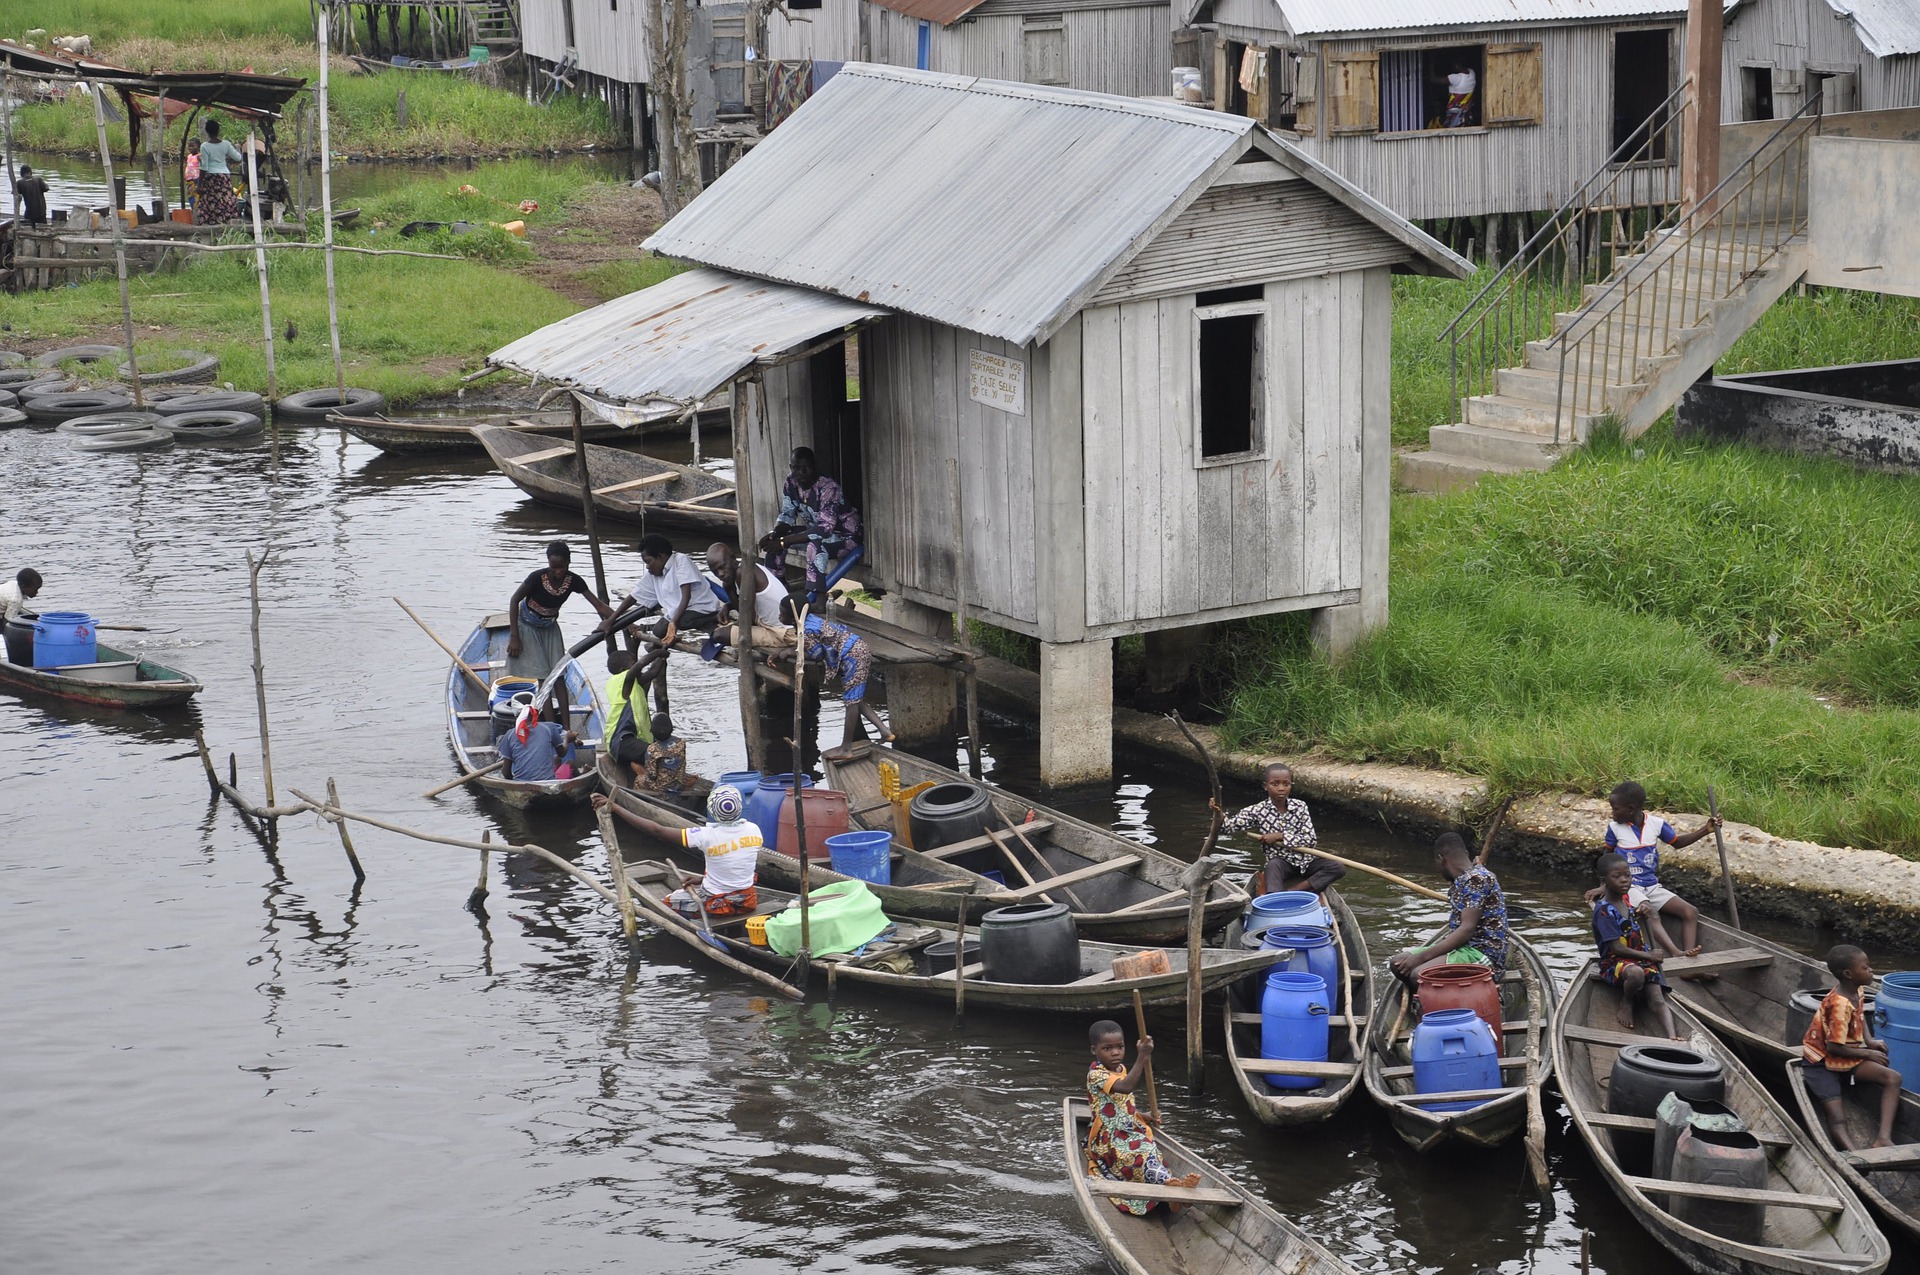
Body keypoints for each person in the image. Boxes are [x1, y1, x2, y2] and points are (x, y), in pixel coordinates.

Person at [1595, 781, 1720, 967]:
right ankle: (1677, 954)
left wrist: (1705, 830)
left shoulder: (1656, 824)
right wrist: (1603, 886)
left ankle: (1691, 963)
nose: (1612, 813)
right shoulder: (1614, 828)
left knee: (1690, 912)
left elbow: (1677, 842)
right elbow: (1607, 859)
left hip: (1651, 885)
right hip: (1629, 887)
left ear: (1631, 809)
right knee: (1650, 911)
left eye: (1615, 809)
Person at [1083, 1020, 1200, 1215]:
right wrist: (1143, 1056)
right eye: (1107, 1048)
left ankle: (1172, 1190)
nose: (1115, 1053)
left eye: (1119, 1047)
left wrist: (1142, 1115)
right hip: (1109, 1136)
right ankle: (1171, 1189)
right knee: (1135, 1156)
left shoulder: (1120, 1069)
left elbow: (1122, 1103)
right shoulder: (1096, 1075)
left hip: (1130, 1127)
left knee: (1150, 1150)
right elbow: (1126, 1087)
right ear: (1094, 1050)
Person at [593, 784, 762, 918]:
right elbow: (734, 863)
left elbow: (657, 830)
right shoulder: (754, 829)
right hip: (747, 901)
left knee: (667, 902)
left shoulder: (706, 835)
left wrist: (616, 808)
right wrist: (701, 879)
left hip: (718, 903)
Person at [1802, 944, 1904, 1150]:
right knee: (1838, 1118)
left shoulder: (1856, 989)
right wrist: (1868, 1053)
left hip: (1847, 1057)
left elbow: (1859, 1016)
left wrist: (1870, 1041)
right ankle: (1855, 1155)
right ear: (1848, 974)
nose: (1871, 971)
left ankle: (1883, 1138)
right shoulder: (1839, 1005)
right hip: (1821, 1063)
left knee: (1893, 1078)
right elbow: (1833, 1047)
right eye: (1866, 968)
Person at [777, 595, 890, 758]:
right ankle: (884, 731)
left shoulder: (807, 629)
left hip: (853, 655)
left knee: (851, 703)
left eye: (782, 614)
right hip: (858, 649)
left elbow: (816, 654)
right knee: (855, 698)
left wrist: (790, 651)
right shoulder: (810, 620)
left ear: (793, 616)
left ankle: (846, 748)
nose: (779, 617)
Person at [1389, 833, 1510, 985]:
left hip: (1482, 953)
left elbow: (1467, 929)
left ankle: (1438, 1003)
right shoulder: (1464, 879)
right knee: (1398, 964)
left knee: (1418, 975)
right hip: (1462, 949)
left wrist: (1421, 957)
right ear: (1465, 854)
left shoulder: (1477, 879)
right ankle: (1428, 998)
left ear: (1441, 859)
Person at [1210, 762, 1343, 896]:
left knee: (1337, 867)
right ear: (1265, 786)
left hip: (1306, 862)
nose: (1281, 788)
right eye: (1275, 784)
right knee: (1273, 865)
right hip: (1282, 864)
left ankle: (1295, 891)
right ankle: (1275, 898)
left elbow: (1310, 840)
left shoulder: (1300, 806)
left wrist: (1280, 836)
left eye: (1286, 784)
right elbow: (1227, 828)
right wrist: (1219, 813)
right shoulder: (1258, 810)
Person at [1591, 852, 1680, 1037]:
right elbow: (1616, 948)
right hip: (1616, 963)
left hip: (1640, 959)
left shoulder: (1627, 903)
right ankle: (1627, 1001)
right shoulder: (1604, 910)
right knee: (1637, 974)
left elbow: (1630, 922)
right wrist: (1650, 956)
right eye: (1617, 877)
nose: (1624, 880)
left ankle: (1673, 1038)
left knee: (1657, 999)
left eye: (1628, 875)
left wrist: (1643, 911)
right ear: (1604, 881)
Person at [759, 447, 862, 596]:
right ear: (791, 467)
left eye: (805, 468)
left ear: (814, 466)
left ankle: (817, 598)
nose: (801, 473)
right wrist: (774, 534)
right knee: (774, 542)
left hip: (846, 537)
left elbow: (824, 529)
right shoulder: (791, 483)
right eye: (796, 468)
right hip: (819, 533)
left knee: (814, 546)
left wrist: (783, 541)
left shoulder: (828, 487)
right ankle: (777, 590)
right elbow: (787, 515)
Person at [507, 541, 615, 680]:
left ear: (569, 563)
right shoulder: (536, 578)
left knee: (558, 673)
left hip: (550, 626)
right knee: (542, 676)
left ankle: (563, 703)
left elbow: (599, 606)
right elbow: (514, 600)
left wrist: (629, 624)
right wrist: (514, 636)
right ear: (548, 563)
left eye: (562, 567)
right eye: (553, 567)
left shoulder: (574, 581)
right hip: (527, 626)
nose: (558, 571)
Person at [612, 534, 720, 649]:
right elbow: (633, 596)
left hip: (700, 606)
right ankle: (666, 631)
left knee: (682, 623)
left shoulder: (681, 560)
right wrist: (611, 619)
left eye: (649, 562)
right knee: (659, 631)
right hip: (679, 611)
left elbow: (686, 595)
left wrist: (674, 622)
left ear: (660, 557)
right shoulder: (654, 573)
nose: (647, 567)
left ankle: (714, 617)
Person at [706, 542, 788, 632]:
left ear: (733, 559)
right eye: (715, 571)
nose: (720, 574)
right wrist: (727, 606)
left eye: (722, 567)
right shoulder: (736, 575)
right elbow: (743, 610)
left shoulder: (742, 573)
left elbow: (748, 620)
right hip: (770, 626)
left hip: (781, 631)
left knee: (719, 634)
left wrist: (729, 628)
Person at [603, 649, 654, 786]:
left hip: (623, 740)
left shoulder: (633, 683)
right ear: (623, 670)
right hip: (621, 740)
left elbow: (654, 672)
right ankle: (645, 778)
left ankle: (638, 768)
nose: (636, 666)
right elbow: (638, 667)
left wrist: (663, 649)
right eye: (633, 664)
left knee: (654, 752)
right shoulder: (623, 681)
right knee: (658, 754)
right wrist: (657, 654)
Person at [496, 701, 576, 783]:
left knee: (556, 759)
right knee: (570, 762)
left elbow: (506, 772)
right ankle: (580, 775)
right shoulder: (549, 727)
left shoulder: (509, 734)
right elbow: (562, 753)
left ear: (516, 716)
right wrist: (566, 739)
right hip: (548, 783)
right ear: (535, 713)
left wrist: (514, 782)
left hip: (521, 784)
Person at [195, 120, 248, 224]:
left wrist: (199, 185)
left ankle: (210, 222)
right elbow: (238, 158)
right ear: (218, 131)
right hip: (223, 176)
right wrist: (237, 148)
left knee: (209, 200)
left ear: (207, 131)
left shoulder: (205, 146)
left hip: (210, 177)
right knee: (224, 200)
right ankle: (225, 221)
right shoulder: (226, 144)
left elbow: (204, 167)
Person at [637, 713, 687, 794]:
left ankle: (642, 799)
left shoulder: (652, 749)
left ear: (653, 732)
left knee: (639, 780)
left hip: (663, 788)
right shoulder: (681, 742)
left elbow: (652, 775)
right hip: (678, 784)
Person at [1442, 61, 1477, 127]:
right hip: (1467, 112)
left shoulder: (1455, 78)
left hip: (1454, 112)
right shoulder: (1472, 73)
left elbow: (1434, 79)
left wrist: (1431, 64)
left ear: (1457, 66)